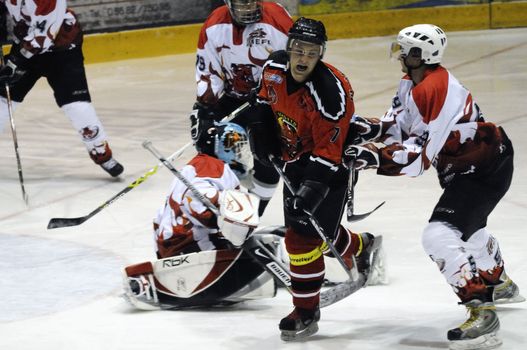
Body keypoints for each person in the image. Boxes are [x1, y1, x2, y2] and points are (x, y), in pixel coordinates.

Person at [347, 24, 524, 350]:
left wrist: (373, 158)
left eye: (404, 50)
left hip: (486, 168)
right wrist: (363, 129)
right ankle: (498, 282)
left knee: (439, 234)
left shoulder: (440, 91)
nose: (399, 55)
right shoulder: (411, 84)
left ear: (420, 55)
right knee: (467, 232)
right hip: (470, 167)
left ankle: (481, 310)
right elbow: (399, 124)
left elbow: (417, 159)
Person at [247, 17, 382, 341]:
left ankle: (306, 311)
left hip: (330, 168)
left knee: (303, 239)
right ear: (289, 48)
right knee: (316, 233)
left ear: (320, 54)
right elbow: (262, 103)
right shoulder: (274, 69)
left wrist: (312, 189)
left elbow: (329, 151)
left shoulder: (329, 94)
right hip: (294, 158)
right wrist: (260, 133)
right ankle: (361, 245)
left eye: (311, 51)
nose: (303, 57)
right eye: (298, 49)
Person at [123, 122, 280, 309]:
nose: (240, 153)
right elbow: (196, 200)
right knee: (267, 245)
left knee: (270, 238)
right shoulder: (212, 166)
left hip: (176, 242)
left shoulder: (207, 165)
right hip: (187, 244)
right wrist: (223, 209)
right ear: (221, 148)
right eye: (235, 147)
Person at [190, 0, 293, 215]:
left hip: (268, 103)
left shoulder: (278, 19)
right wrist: (206, 108)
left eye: (251, 2)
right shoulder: (214, 25)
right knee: (214, 146)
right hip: (230, 100)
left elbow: (298, 66)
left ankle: (250, 214)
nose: (247, 9)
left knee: (269, 157)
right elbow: (207, 70)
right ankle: (218, 212)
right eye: (241, 3)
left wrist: (274, 89)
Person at [0, 0, 123, 177]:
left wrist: (15, 62)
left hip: (62, 51)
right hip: (25, 44)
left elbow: (42, 37)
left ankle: (99, 150)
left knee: (76, 106)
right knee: (3, 100)